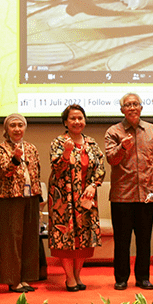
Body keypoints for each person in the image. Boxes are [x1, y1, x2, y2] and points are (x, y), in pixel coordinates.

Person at [104, 93, 153, 291]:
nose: (132, 108)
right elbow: (111, 160)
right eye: (128, 105)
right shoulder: (114, 131)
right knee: (122, 241)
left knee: (144, 240)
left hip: (146, 195)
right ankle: (121, 278)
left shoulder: (152, 130)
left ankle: (143, 277)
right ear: (122, 110)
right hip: (122, 195)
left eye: (135, 104)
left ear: (141, 108)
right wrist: (122, 148)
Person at [48, 104, 105, 291]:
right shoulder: (58, 141)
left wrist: (93, 185)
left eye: (80, 118)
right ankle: (69, 277)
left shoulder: (91, 143)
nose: (77, 121)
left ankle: (78, 275)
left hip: (85, 198)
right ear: (65, 121)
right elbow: (56, 169)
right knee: (65, 237)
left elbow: (100, 168)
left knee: (84, 238)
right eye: (72, 118)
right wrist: (66, 153)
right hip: (63, 199)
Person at [0, 113, 42, 293]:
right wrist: (15, 158)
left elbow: (37, 171)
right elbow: (5, 171)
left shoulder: (31, 147)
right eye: (13, 125)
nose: (17, 129)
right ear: (7, 129)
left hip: (31, 197)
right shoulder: (2, 149)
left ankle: (26, 278)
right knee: (11, 240)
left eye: (20, 125)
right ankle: (13, 280)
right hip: (10, 199)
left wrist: (39, 196)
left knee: (30, 239)